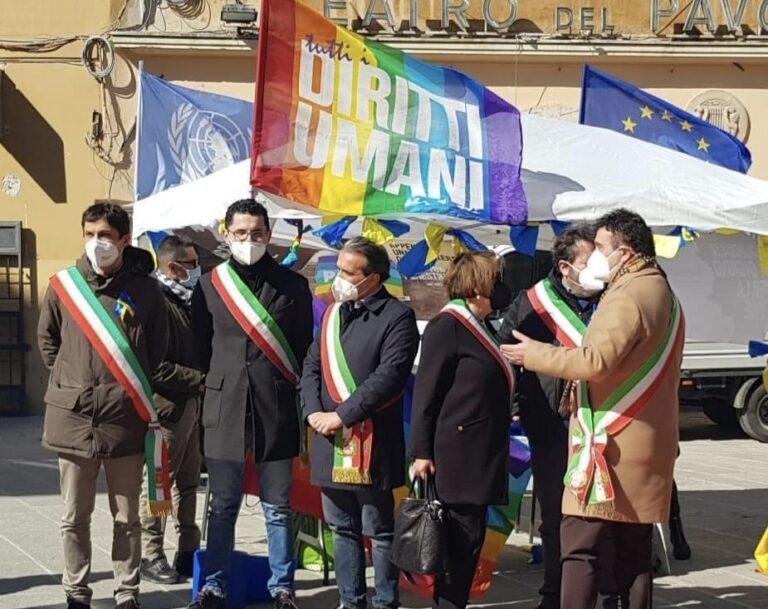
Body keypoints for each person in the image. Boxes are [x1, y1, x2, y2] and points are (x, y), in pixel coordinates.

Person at [502, 209, 685, 609]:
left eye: (600, 247)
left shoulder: (628, 294)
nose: (597, 255)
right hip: (643, 436)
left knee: (579, 546)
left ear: (623, 250)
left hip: (611, 443)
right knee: (632, 550)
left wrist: (535, 354)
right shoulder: (662, 292)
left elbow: (593, 361)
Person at [38, 202, 169, 609]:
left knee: (127, 518)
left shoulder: (147, 291)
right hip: (73, 418)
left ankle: (126, 591)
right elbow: (48, 343)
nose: (97, 243)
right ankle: (76, 589)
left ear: (124, 241)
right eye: (90, 234)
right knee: (74, 516)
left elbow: (156, 351)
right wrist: (73, 380)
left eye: (106, 236)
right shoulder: (63, 286)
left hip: (123, 419)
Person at [190, 199, 313, 609]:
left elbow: (301, 348)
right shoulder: (209, 285)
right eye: (240, 233)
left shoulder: (292, 286)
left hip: (274, 408)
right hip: (224, 410)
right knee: (222, 505)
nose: (248, 240)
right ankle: (215, 584)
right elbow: (198, 349)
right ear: (227, 234)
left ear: (268, 235)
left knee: (278, 507)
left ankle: (283, 589)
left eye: (256, 233)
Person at [301, 237, 419, 609]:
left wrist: (342, 415)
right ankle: (351, 601)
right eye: (340, 270)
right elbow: (312, 366)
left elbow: (389, 376)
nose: (341, 279)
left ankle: (385, 601)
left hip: (371, 443)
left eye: (349, 273)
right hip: (328, 439)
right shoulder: (334, 313)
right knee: (342, 528)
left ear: (374, 278)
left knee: (379, 530)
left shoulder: (397, 316)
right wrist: (312, 412)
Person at [499, 226, 602, 609]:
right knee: (557, 516)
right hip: (551, 425)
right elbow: (504, 356)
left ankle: (601, 588)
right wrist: (515, 408)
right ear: (565, 266)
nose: (600, 268)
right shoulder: (531, 303)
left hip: (603, 425)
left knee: (601, 515)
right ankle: (554, 592)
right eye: (590, 261)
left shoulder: (612, 300)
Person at [410, 251, 514, 609]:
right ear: (476, 287)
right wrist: (421, 452)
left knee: (470, 542)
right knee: (458, 543)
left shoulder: (483, 327)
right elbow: (426, 393)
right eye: (494, 282)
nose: (501, 289)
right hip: (457, 457)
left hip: (480, 453)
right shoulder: (447, 326)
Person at [140, 235, 205, 584]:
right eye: (193, 263)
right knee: (158, 486)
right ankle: (151, 555)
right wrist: (200, 379)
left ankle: (188, 551)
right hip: (164, 411)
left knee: (189, 483)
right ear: (174, 267)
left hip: (191, 407)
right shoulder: (156, 302)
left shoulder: (189, 301)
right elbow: (153, 365)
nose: (199, 270)